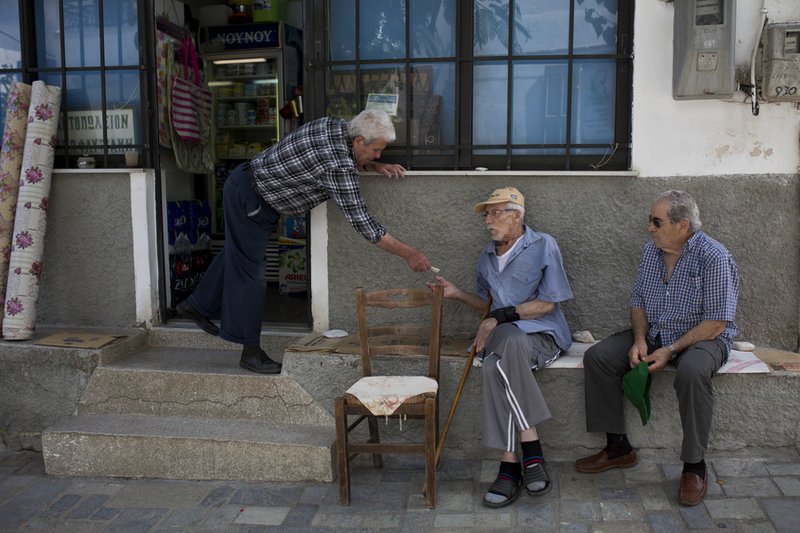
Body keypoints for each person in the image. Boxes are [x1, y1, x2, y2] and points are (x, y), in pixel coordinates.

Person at [177, 110, 431, 374]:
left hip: (249, 187)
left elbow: (340, 157)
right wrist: (409, 253)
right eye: (376, 151)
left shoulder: (335, 124)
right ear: (358, 141)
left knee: (237, 254)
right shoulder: (338, 167)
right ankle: (249, 351)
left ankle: (195, 306)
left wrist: (374, 165)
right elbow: (365, 224)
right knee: (250, 274)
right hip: (250, 198)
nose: (380, 155)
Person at [575, 190, 739, 507]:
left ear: (682, 225)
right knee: (599, 357)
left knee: (692, 372)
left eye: (656, 221)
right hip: (657, 334)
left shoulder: (714, 257)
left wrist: (673, 349)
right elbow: (639, 302)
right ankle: (618, 447)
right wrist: (639, 340)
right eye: (650, 221)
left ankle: (694, 466)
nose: (649, 228)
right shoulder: (652, 252)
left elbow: (717, 322)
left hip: (702, 338)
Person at [430, 187, 573, 508]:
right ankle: (531, 454)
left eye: (496, 213)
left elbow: (548, 304)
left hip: (541, 335)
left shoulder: (543, 245)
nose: (488, 221)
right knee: (506, 342)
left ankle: (509, 464)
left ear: (517, 216)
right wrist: (457, 294)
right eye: (487, 214)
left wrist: (501, 317)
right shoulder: (485, 258)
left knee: (495, 364)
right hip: (505, 336)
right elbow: (486, 305)